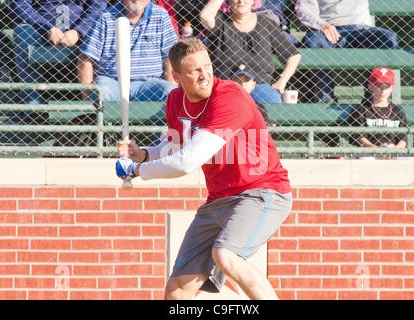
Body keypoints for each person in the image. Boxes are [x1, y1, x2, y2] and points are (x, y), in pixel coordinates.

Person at [116, 38, 292, 299]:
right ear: (176, 76)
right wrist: (141, 155)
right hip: (218, 199)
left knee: (226, 254)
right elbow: (174, 149)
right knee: (177, 292)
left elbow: (187, 162)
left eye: (207, 66)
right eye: (194, 70)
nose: (205, 74)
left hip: (260, 192)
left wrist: (137, 171)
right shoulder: (176, 99)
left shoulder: (230, 97)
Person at [295, 0, 399, 103]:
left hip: (362, 30)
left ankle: (371, 100)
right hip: (330, 30)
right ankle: (327, 99)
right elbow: (303, 9)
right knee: (313, 41)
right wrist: (321, 25)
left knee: (389, 39)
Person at [200, 0, 301, 104]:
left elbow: (293, 55)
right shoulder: (220, 22)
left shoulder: (266, 24)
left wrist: (282, 81)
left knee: (272, 101)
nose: (240, 1)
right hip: (226, 85)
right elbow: (205, 16)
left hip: (259, 87)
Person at [77, 0, 179, 102]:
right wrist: (87, 102)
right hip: (112, 82)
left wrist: (172, 86)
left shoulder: (161, 16)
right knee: (102, 92)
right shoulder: (106, 17)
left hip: (149, 84)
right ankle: (99, 118)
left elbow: (171, 56)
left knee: (171, 91)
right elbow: (85, 58)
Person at [10, 0, 107, 104]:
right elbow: (18, 3)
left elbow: (98, 4)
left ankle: (92, 105)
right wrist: (46, 28)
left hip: (81, 32)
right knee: (23, 31)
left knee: (100, 27)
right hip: (40, 31)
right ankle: (33, 105)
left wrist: (78, 31)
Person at [348, 67, 408, 160]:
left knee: (411, 161)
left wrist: (395, 150)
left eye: (386, 87)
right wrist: (375, 149)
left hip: (394, 151)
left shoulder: (397, 111)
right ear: (370, 86)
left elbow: (403, 138)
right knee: (366, 161)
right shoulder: (362, 109)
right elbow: (359, 137)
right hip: (370, 151)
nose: (382, 91)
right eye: (378, 86)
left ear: (392, 88)